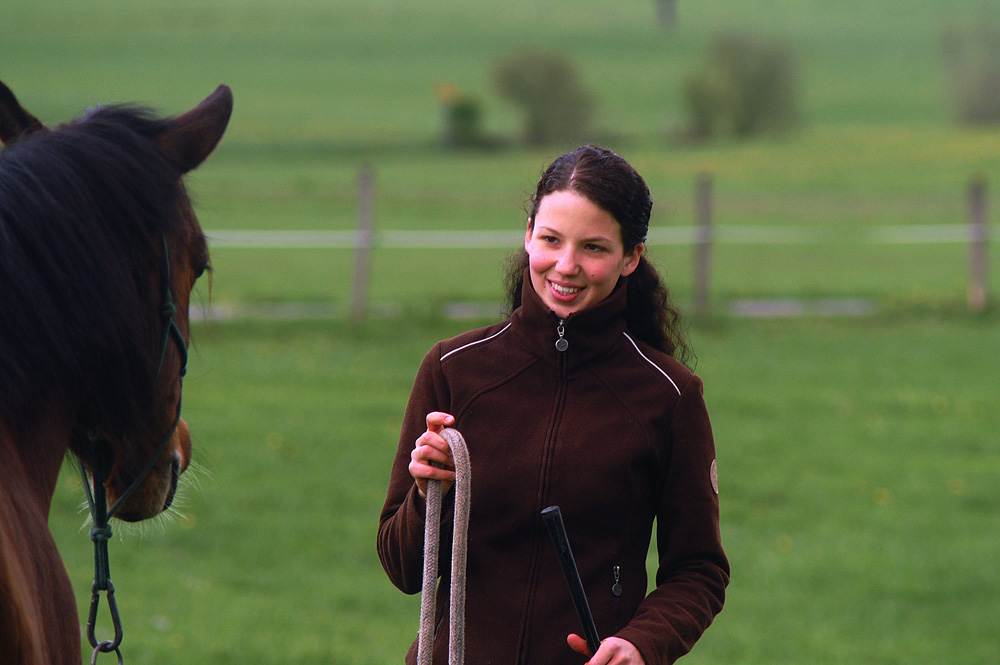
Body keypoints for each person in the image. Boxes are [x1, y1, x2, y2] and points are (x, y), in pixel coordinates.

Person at [377, 145, 729, 665]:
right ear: (528, 234)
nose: (566, 266)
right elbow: (403, 569)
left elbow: (699, 570)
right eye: (550, 240)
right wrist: (430, 494)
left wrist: (641, 644)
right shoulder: (454, 370)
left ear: (630, 257)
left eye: (593, 247)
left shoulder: (668, 396)